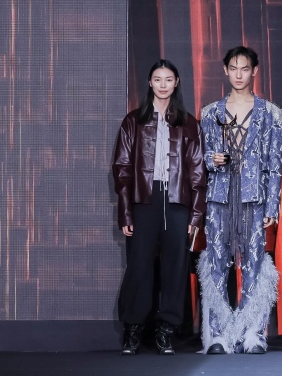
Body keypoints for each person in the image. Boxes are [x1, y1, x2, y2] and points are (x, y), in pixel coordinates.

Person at [112, 59, 206, 355]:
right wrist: (126, 211)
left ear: (176, 83)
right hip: (144, 200)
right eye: (157, 79)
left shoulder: (189, 123)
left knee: (175, 268)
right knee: (139, 266)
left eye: (168, 79)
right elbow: (122, 169)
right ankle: (133, 330)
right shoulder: (133, 121)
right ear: (149, 83)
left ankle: (167, 330)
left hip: (178, 202)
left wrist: (196, 215)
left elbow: (198, 171)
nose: (163, 85)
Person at [197, 46, 282, 355]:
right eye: (233, 68)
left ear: (254, 71)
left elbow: (275, 163)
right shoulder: (210, 113)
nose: (238, 74)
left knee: (255, 262)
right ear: (225, 70)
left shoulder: (270, 112)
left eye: (244, 68)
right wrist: (211, 158)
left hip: (254, 196)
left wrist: (273, 205)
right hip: (219, 196)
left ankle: (253, 333)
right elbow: (199, 158)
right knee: (217, 260)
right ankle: (218, 335)